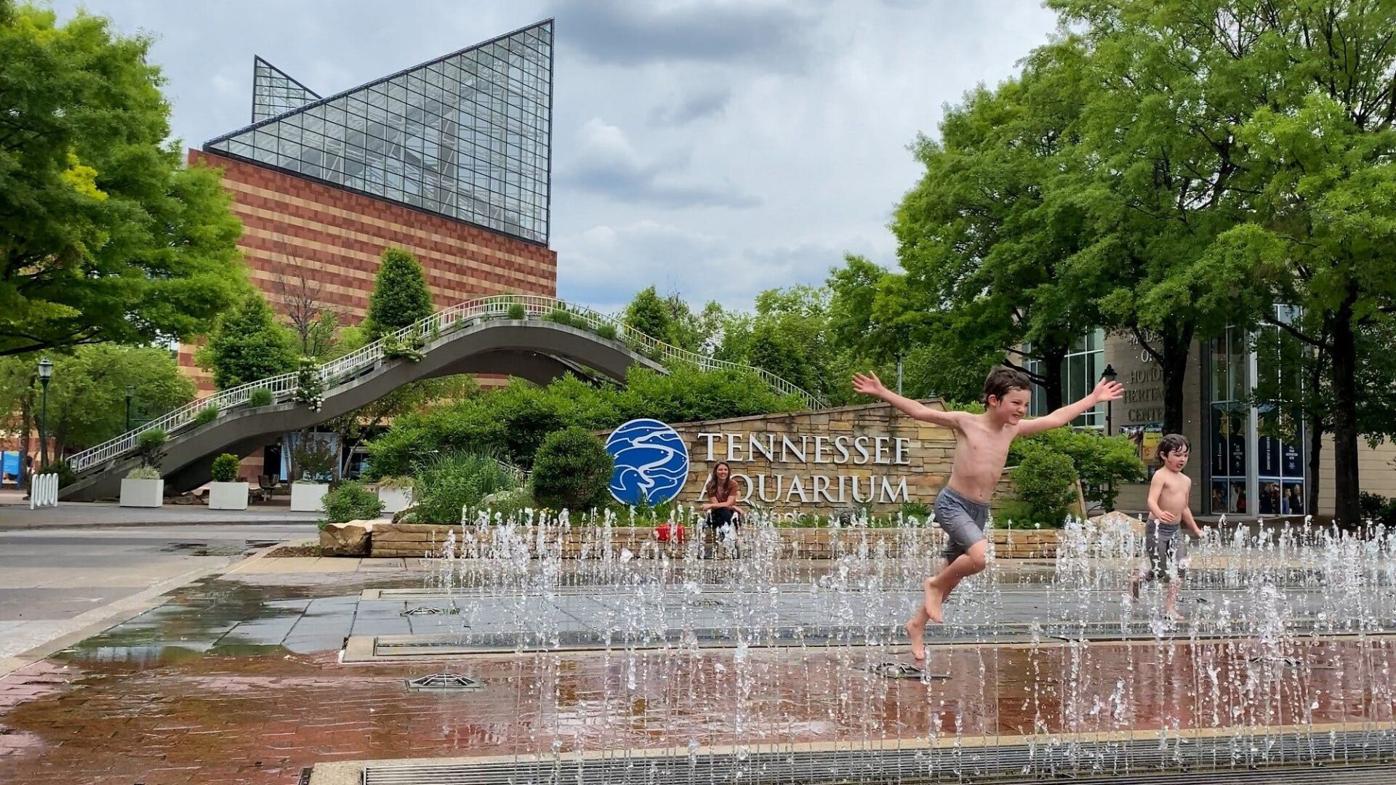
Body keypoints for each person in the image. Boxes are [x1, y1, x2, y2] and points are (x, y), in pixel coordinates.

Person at [853, 366, 1123, 660]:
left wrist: (1092, 398)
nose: (1022, 410)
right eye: (1016, 403)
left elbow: (1055, 419)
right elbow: (919, 411)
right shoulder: (966, 422)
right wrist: (882, 392)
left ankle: (916, 624)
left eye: (1025, 405)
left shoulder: (1013, 429)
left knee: (953, 578)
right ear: (994, 400)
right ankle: (932, 584)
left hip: (978, 511)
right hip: (952, 504)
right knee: (980, 557)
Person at [1129, 434, 1203, 619]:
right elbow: (1151, 500)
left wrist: (1195, 529)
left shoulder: (1185, 480)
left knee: (1180, 567)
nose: (1182, 459)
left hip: (1175, 530)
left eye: (1185, 455)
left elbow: (1184, 507)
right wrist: (1159, 513)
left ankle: (1170, 608)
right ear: (1164, 455)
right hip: (1156, 528)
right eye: (1177, 455)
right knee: (1160, 570)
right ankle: (1137, 580)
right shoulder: (1160, 476)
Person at [700, 461, 742, 534]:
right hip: (717, 513)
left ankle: (727, 539)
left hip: (730, 514)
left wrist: (710, 505)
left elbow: (728, 503)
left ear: (728, 472)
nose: (723, 472)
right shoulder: (710, 485)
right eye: (720, 469)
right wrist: (734, 507)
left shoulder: (733, 484)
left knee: (729, 515)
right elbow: (718, 506)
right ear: (715, 472)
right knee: (723, 512)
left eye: (725, 470)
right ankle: (729, 539)